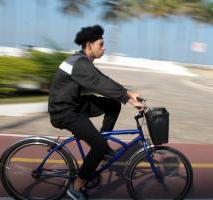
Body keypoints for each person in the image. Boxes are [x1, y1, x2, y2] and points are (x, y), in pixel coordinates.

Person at [48, 25, 144, 200]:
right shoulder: (79, 63)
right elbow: (98, 83)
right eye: (101, 44)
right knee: (97, 146)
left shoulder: (83, 61)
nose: (104, 48)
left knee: (113, 105)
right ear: (89, 45)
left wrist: (128, 96)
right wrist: (129, 97)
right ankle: (76, 188)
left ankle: (103, 147)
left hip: (76, 103)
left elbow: (103, 80)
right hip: (65, 111)